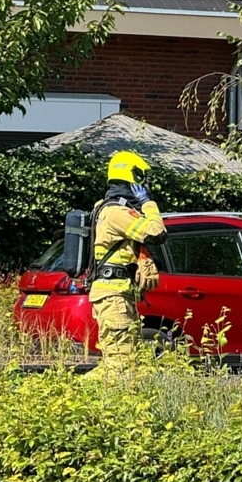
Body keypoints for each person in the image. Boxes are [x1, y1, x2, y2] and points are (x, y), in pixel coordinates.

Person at [89, 151, 167, 373]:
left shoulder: (104, 207)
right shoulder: (116, 212)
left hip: (118, 293)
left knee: (128, 362)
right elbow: (156, 233)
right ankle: (76, 396)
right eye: (142, 180)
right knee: (120, 364)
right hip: (113, 295)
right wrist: (148, 203)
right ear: (132, 177)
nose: (144, 187)